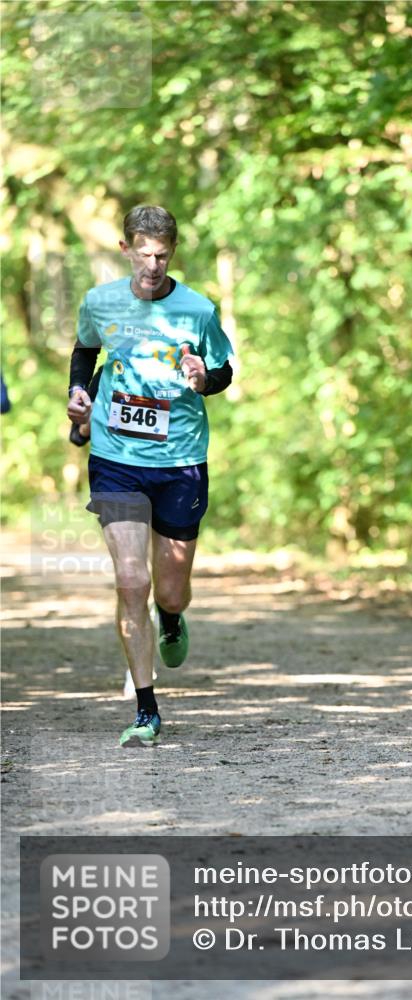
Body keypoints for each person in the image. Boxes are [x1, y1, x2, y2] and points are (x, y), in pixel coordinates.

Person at [67, 205, 234, 747]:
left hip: (181, 458)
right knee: (130, 581)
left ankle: (173, 617)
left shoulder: (198, 309)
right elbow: (85, 350)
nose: (153, 264)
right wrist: (80, 395)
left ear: (173, 253)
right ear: (126, 249)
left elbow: (224, 370)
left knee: (170, 588)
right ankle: (146, 708)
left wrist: (203, 378)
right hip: (116, 458)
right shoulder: (101, 301)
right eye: (143, 252)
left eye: (162, 254)